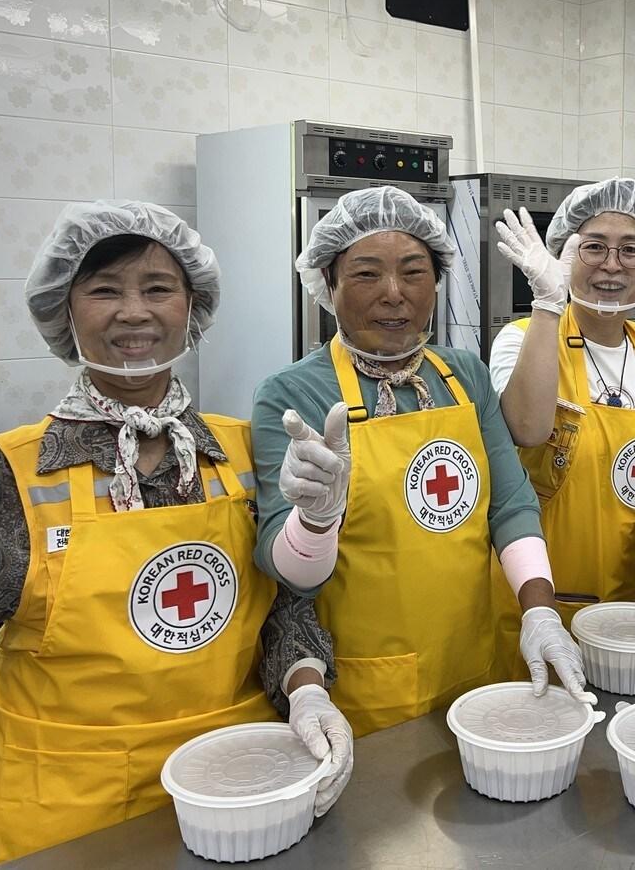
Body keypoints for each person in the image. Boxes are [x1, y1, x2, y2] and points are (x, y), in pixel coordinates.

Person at [0, 202, 349, 870]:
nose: (133, 312)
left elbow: (284, 608)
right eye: (103, 290)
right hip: (62, 816)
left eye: (158, 288)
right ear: (64, 310)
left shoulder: (246, 451)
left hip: (233, 793)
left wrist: (306, 685)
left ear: (192, 306)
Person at [251, 185, 590, 739]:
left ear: (436, 282)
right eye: (366, 274)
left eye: (413, 272)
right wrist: (313, 521)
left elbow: (510, 503)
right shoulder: (291, 394)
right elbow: (288, 575)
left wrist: (539, 610)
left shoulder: (464, 374)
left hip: (473, 661)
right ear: (328, 283)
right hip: (364, 690)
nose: (394, 294)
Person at [489, 179, 635, 666]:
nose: (611, 265)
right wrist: (548, 305)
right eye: (594, 247)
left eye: (631, 250)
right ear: (564, 254)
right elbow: (527, 430)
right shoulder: (522, 339)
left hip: (619, 593)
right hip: (529, 596)